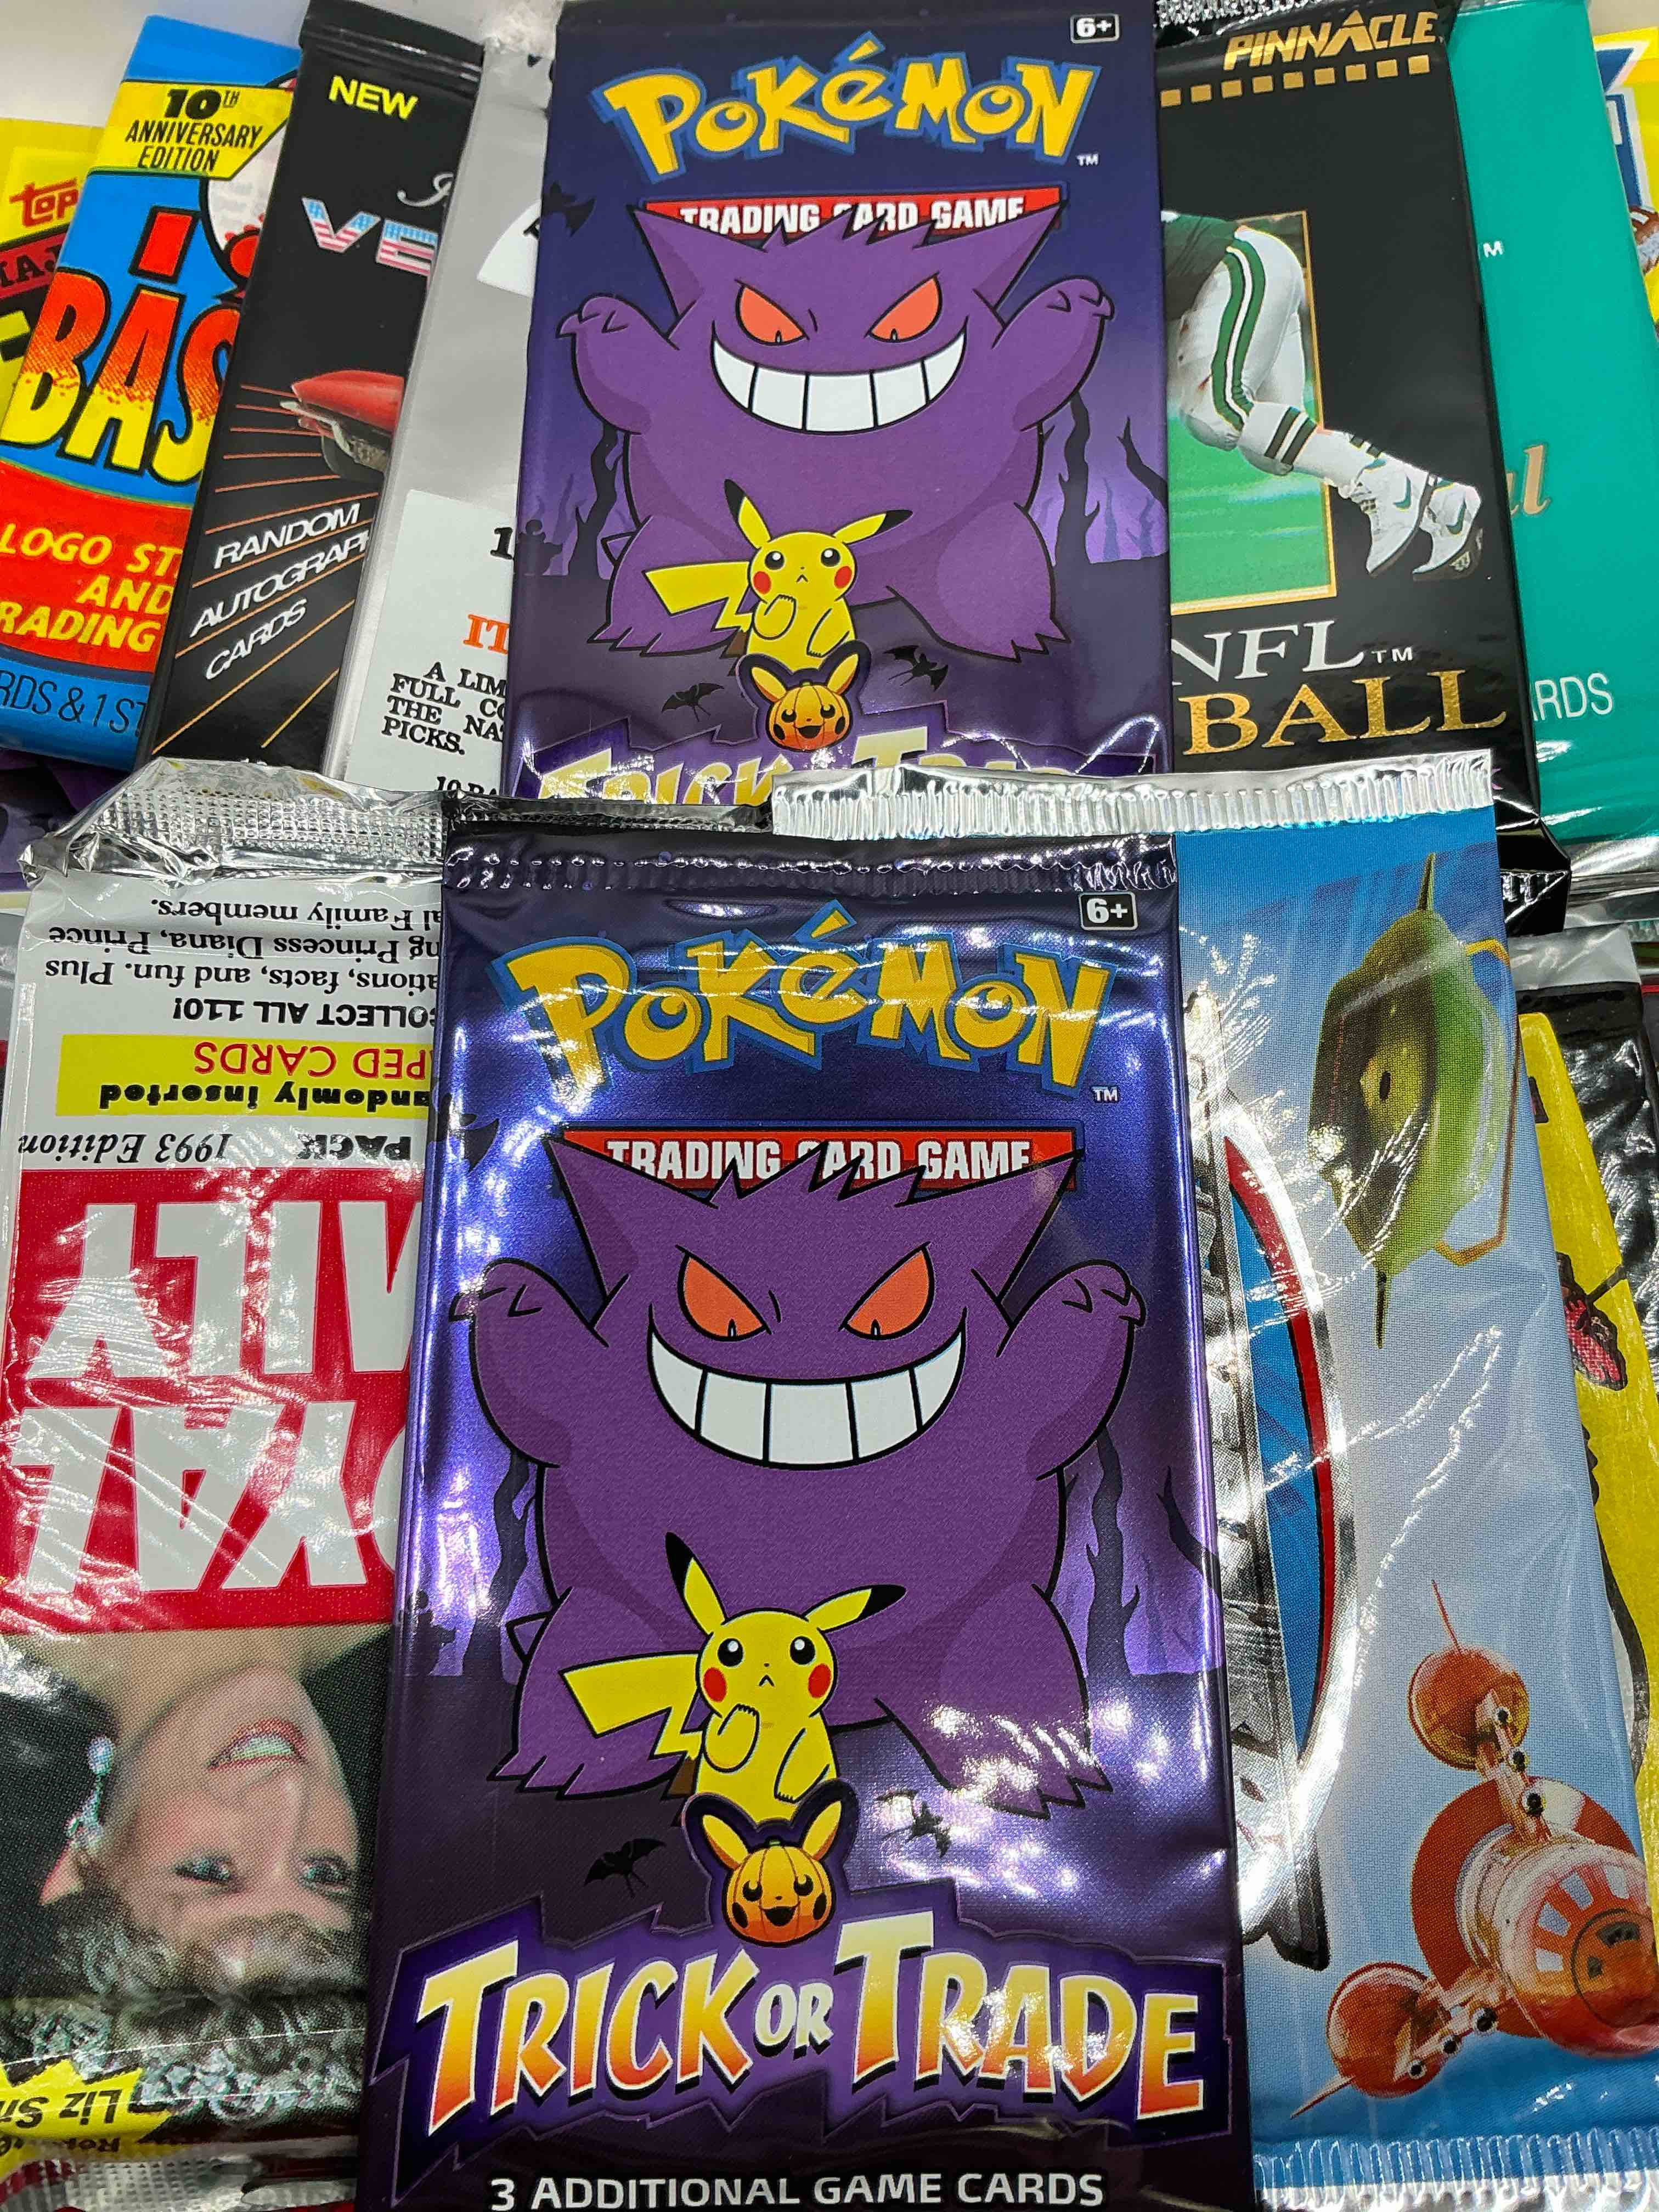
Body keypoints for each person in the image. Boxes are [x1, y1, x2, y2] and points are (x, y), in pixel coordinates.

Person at [1, 1624, 383, 2000]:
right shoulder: (413, 1612)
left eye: (209, 1870)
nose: (289, 1789)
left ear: (82, 1867)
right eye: (324, 1874)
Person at [1163, 211, 1483, 581]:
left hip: (1236, 266)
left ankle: (1386, 484)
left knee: (1214, 414)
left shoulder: (1107, 230)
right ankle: (1445, 501)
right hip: (1245, 271)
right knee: (1266, 451)